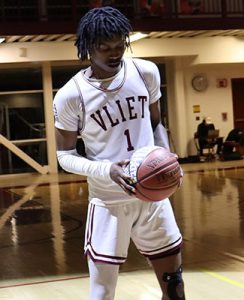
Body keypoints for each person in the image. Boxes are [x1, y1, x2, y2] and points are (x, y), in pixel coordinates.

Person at [53, 6, 185, 300]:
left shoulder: (145, 71)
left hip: (153, 199)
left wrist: (170, 161)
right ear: (88, 48)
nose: (114, 54)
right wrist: (107, 170)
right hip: (108, 201)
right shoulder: (70, 95)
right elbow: (64, 156)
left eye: (119, 46)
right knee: (102, 294)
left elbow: (155, 124)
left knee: (174, 286)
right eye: (105, 48)